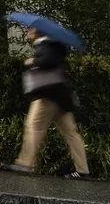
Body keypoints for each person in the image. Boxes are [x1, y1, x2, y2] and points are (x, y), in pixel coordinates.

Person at [8, 25, 88, 177]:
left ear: (38, 31)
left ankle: (25, 163)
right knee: (71, 134)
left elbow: (47, 60)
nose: (28, 32)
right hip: (61, 98)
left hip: (47, 96)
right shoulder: (56, 44)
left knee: (34, 126)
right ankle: (82, 170)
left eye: (30, 29)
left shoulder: (46, 44)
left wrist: (33, 61)